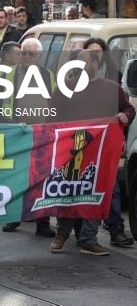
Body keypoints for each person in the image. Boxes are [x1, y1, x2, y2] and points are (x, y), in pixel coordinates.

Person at [49, 49, 135, 255]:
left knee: (96, 193)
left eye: (83, 62)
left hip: (101, 154)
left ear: (96, 64)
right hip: (73, 151)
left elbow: (129, 109)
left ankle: (88, 239)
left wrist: (124, 115)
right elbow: (52, 114)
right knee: (69, 191)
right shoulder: (66, 87)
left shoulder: (112, 89)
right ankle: (62, 233)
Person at [0, 38, 56, 237]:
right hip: (17, 133)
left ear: (39, 57)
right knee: (17, 176)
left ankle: (42, 221)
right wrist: (10, 125)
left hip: (42, 135)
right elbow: (3, 104)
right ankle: (14, 217)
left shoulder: (48, 76)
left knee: (41, 177)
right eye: (23, 53)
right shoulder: (10, 76)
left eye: (31, 54)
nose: (26, 57)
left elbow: (54, 102)